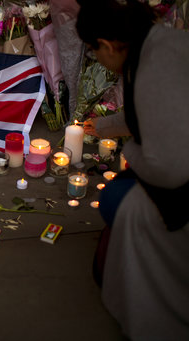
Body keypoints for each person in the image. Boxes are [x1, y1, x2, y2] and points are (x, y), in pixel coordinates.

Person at [76, 1, 189, 340]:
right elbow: (154, 112)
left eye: (94, 52)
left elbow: (169, 170)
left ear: (108, 45)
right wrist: (103, 126)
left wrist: (134, 152)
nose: (98, 59)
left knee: (119, 200)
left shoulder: (156, 66)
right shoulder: (161, 43)